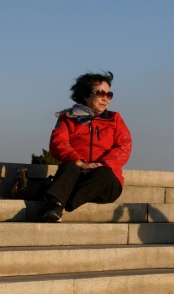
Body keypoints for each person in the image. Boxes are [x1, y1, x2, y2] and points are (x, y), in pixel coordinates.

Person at [42, 71, 132, 222]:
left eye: (109, 94)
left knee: (104, 173)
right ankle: (55, 205)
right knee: (69, 167)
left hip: (103, 182)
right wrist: (81, 163)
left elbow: (124, 146)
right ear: (85, 95)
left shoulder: (114, 119)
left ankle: (62, 204)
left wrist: (101, 164)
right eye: (100, 93)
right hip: (78, 174)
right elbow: (58, 144)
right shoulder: (68, 118)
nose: (105, 98)